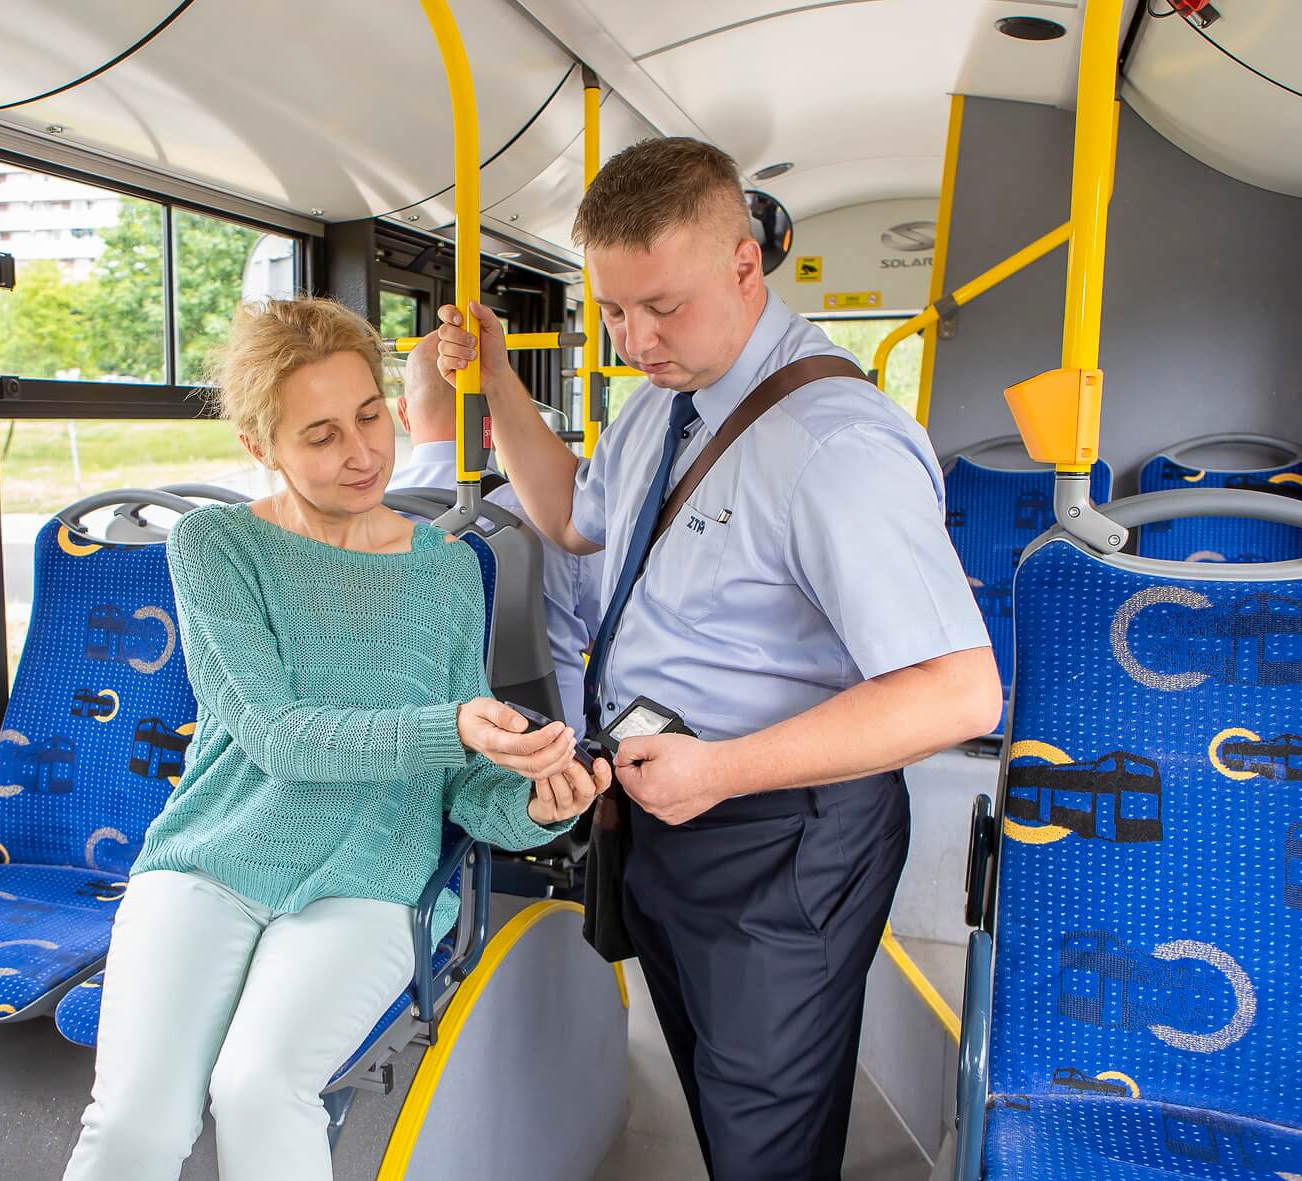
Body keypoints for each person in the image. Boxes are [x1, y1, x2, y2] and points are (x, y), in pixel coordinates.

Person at [436, 138, 1000, 1180]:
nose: (634, 338)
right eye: (610, 311)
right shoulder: (657, 402)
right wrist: (500, 383)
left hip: (779, 833)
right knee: (710, 1088)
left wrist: (724, 770)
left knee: (764, 1135)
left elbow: (957, 691)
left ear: (745, 265)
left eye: (661, 305)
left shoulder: (835, 448)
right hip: (665, 804)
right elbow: (569, 517)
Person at [62, 297, 613, 1181]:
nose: (360, 454)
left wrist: (539, 804)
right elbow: (278, 735)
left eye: (368, 417)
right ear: (260, 445)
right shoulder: (216, 546)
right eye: (319, 436)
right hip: (210, 859)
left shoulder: (448, 572)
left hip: (368, 875)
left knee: (259, 1086)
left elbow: (463, 786)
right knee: (132, 1122)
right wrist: (453, 726)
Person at [387, 331, 604, 735]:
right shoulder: (557, 512)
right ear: (492, 415)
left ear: (402, 413)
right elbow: (606, 635)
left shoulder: (371, 515)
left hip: (415, 742)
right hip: (548, 751)